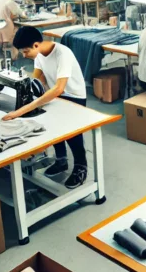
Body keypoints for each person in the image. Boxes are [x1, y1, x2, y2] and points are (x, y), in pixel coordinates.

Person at [7, 26, 89, 188]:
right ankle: (61, 161)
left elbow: (60, 87)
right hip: (56, 94)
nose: (24, 55)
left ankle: (81, 167)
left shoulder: (62, 54)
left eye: (25, 52)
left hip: (74, 96)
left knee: (71, 133)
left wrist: (24, 109)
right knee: (52, 126)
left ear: (36, 45)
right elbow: (36, 79)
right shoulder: (39, 55)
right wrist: (24, 90)